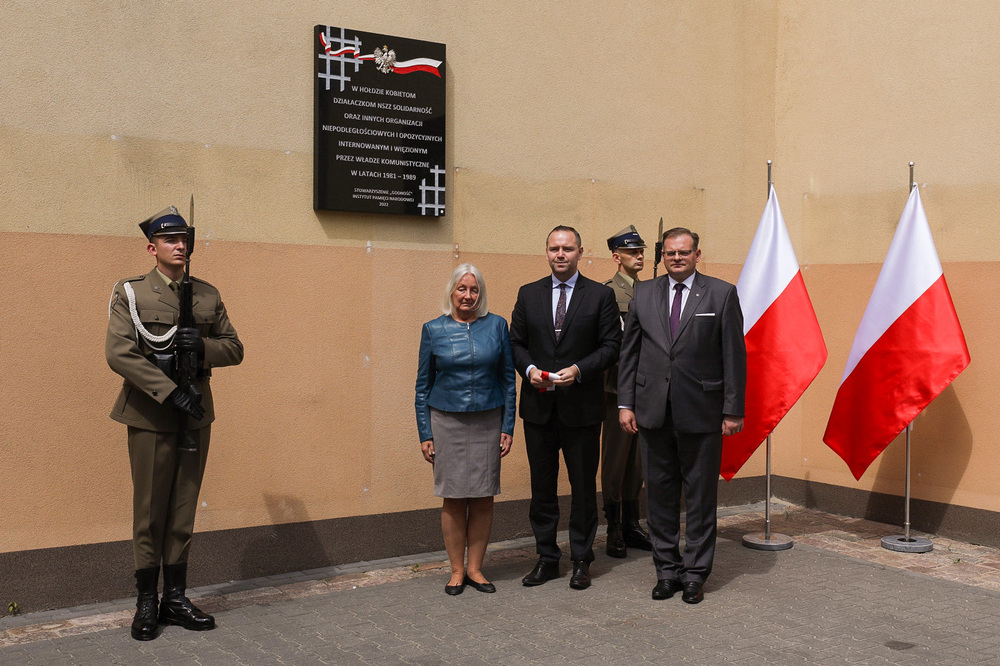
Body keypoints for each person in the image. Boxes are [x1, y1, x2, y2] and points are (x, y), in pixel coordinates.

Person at [106, 206, 244, 640]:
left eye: (184, 239)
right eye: (170, 240)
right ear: (153, 248)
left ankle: (176, 598)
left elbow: (234, 348)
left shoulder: (206, 294)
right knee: (150, 512)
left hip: (195, 416)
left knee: (183, 509)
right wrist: (169, 391)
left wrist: (200, 346)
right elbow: (119, 353)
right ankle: (147, 601)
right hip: (150, 415)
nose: (180, 245)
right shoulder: (132, 292)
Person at [618, 227, 746, 604]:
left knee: (701, 497)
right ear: (663, 256)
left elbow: (733, 357)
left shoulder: (721, 294)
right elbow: (630, 354)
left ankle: (695, 574)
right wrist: (626, 403)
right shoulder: (643, 292)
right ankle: (667, 571)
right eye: (670, 253)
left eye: (684, 252)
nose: (676, 258)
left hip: (702, 412)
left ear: (697, 254)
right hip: (652, 412)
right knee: (659, 496)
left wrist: (732, 409)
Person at [510, 226, 621, 590]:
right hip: (539, 408)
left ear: (580, 253)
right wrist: (529, 372)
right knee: (542, 488)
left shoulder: (600, 296)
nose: (561, 254)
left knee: (583, 489)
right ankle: (547, 558)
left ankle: (581, 560)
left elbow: (611, 346)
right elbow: (516, 343)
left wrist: (579, 370)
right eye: (555, 248)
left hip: (582, 409)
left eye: (568, 249)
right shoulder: (528, 294)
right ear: (546, 252)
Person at [415, 263, 517, 596]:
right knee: (454, 498)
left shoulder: (498, 326)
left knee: (484, 496)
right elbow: (422, 386)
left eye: (474, 289)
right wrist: (425, 432)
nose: (468, 295)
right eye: (462, 289)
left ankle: (476, 568)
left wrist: (508, 425)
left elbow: (507, 380)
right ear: (452, 292)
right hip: (446, 421)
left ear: (481, 293)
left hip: (489, 419)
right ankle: (457, 571)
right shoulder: (433, 330)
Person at [601, 225, 653, 558]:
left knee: (639, 460)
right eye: (632, 252)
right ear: (617, 257)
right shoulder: (608, 294)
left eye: (642, 251)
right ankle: (614, 527)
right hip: (616, 387)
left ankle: (633, 523)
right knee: (616, 459)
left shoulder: (651, 292)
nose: (639, 256)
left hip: (647, 388)